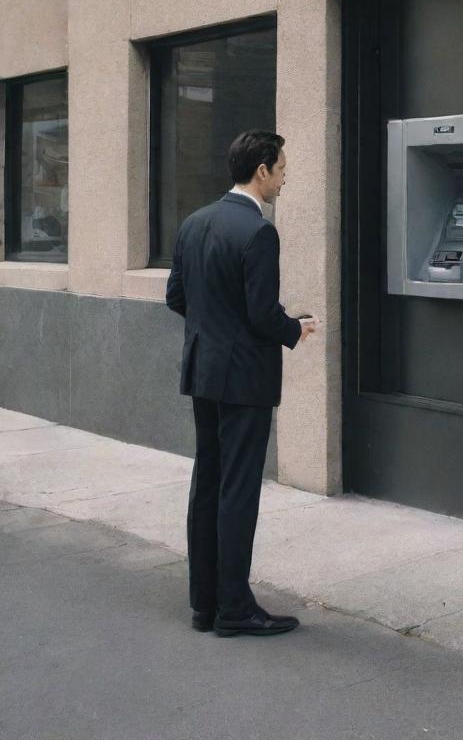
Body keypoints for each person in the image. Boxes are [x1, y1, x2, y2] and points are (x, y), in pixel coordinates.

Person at [166, 130, 317, 638]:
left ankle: (204, 603)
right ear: (261, 171)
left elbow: (176, 297)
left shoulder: (193, 222)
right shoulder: (259, 232)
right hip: (244, 380)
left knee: (207, 483)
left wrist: (215, 333)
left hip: (203, 372)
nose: (283, 178)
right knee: (238, 491)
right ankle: (234, 609)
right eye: (281, 170)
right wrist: (297, 328)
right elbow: (259, 314)